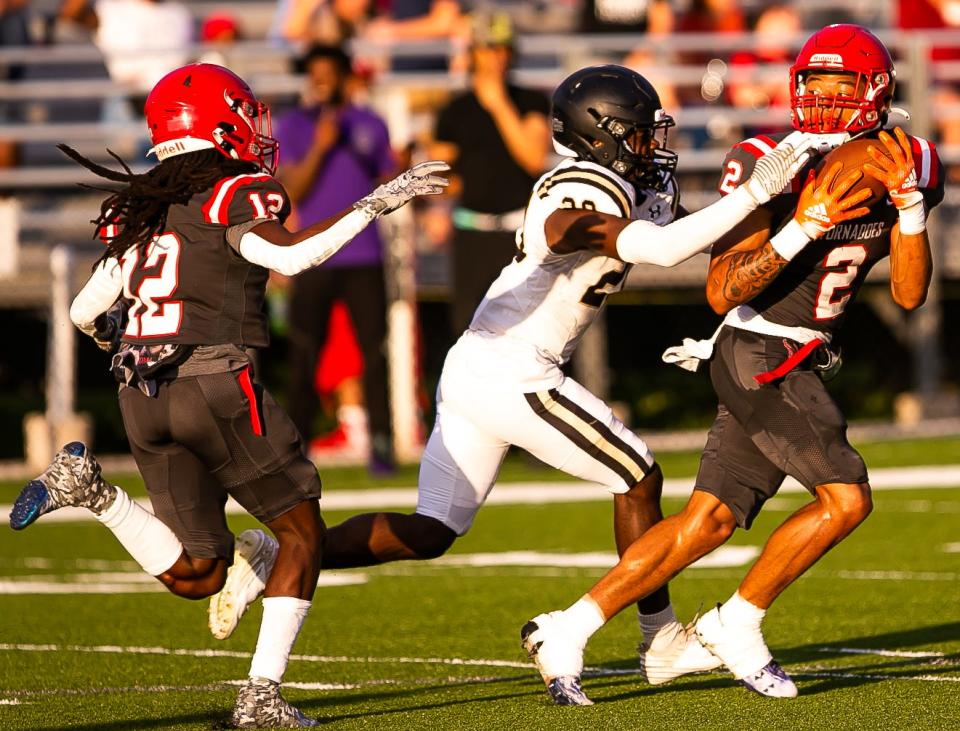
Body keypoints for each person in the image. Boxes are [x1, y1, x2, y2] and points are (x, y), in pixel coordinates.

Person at [206, 64, 820, 706]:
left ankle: (276, 560)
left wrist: (785, 216)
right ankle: (660, 640)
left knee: (431, 530)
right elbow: (660, 249)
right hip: (513, 368)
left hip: (477, 363)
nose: (651, 145)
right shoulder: (573, 188)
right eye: (638, 134)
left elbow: (696, 238)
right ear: (600, 136)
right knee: (637, 476)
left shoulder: (625, 180)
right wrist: (751, 195)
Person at [7, 63, 447, 728]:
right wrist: (376, 202)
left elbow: (84, 311)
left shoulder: (147, 205)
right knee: (302, 532)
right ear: (221, 121)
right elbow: (293, 258)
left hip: (141, 392)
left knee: (199, 573)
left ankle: (90, 488)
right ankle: (261, 695)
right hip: (213, 381)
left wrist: (124, 340)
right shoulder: (234, 192)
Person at [520, 24, 944, 704]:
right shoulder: (766, 158)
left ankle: (566, 627)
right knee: (846, 497)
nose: (827, 105)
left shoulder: (911, 159)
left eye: (843, 91)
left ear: (878, 93)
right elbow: (722, 288)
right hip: (760, 349)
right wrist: (800, 222)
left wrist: (911, 207)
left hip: (793, 353)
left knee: (707, 520)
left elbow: (908, 292)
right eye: (816, 89)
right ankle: (736, 620)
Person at [275, 44, 398, 473]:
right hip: (314, 254)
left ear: (346, 76)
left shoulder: (370, 124)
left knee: (375, 352)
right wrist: (322, 147)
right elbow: (297, 189)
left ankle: (382, 445)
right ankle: (297, 447)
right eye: (315, 73)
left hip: (365, 254)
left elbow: (386, 181)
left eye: (329, 72)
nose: (321, 80)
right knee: (305, 351)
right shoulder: (293, 126)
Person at [430, 10, 551, 336]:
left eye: (503, 48)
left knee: (529, 332)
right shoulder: (455, 110)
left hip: (519, 234)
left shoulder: (529, 101)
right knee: (468, 330)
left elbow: (533, 158)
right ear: (473, 53)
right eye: (488, 48)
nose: (497, 57)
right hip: (471, 234)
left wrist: (499, 106)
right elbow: (442, 176)